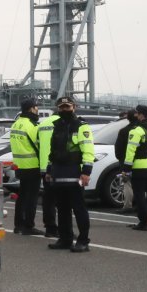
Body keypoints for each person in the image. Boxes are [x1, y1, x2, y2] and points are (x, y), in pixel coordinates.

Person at [40, 96, 94, 252]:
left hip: (75, 173)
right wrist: (50, 171)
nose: (64, 109)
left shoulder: (82, 127)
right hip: (58, 173)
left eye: (67, 106)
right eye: (62, 107)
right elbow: (52, 151)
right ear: (58, 108)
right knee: (62, 209)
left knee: (79, 208)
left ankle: (83, 241)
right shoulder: (57, 126)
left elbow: (88, 151)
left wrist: (86, 173)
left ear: (74, 107)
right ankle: (65, 239)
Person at [10, 98, 43, 236]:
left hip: (20, 165)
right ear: (31, 109)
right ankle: (29, 225)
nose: (37, 109)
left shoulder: (16, 124)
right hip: (33, 165)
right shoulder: (32, 126)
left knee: (22, 196)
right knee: (32, 197)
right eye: (36, 107)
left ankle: (18, 225)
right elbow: (40, 145)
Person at [114, 110, 138, 214]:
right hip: (142, 161)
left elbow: (118, 148)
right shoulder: (142, 130)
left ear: (128, 118)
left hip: (125, 160)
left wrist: (120, 159)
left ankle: (128, 205)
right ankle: (140, 205)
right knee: (140, 184)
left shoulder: (123, 131)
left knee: (127, 183)